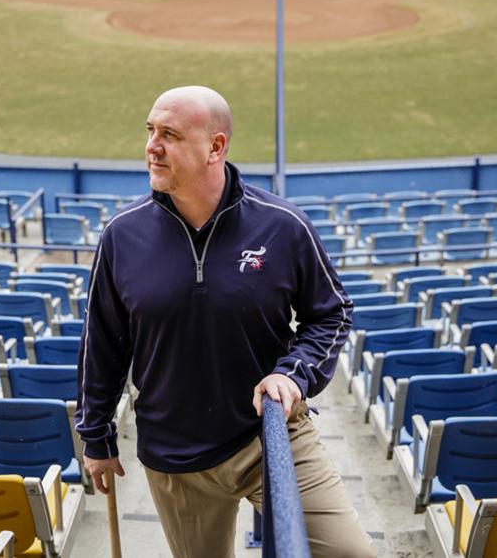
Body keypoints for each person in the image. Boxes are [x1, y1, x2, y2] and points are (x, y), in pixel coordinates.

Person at [76, 85, 374, 558]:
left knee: (352, 554)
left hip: (271, 436)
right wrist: (96, 436)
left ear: (216, 147)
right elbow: (103, 345)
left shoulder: (283, 224)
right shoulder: (121, 236)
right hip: (175, 458)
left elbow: (332, 312)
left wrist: (293, 373)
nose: (152, 146)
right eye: (151, 131)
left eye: (170, 134)